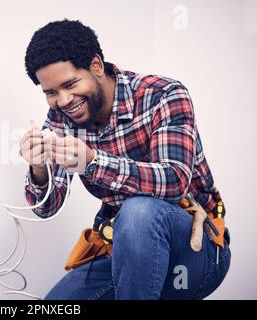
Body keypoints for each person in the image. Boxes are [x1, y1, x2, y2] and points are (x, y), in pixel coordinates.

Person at [19, 19, 231, 300]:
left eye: (70, 84)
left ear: (96, 65)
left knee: (139, 211)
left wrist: (93, 161)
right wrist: (38, 168)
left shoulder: (163, 94)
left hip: (196, 251)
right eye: (51, 92)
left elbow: (174, 181)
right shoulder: (61, 116)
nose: (64, 99)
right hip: (125, 250)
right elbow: (46, 208)